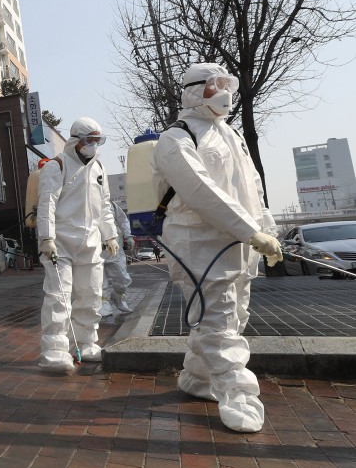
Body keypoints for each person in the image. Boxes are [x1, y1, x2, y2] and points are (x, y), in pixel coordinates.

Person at [152, 63, 282, 433]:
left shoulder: (232, 135)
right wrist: (249, 231)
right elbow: (199, 191)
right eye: (214, 86)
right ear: (194, 90)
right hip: (198, 243)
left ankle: (196, 379)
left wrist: (265, 229)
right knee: (219, 321)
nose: (224, 92)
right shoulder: (175, 139)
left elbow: (253, 188)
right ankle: (238, 396)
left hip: (238, 243)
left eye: (227, 84)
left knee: (231, 316)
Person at [36, 117, 119, 373]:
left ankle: (86, 342)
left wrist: (110, 235)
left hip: (91, 243)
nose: (94, 146)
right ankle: (54, 350)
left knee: (91, 295)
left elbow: (104, 206)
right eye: (89, 140)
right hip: (61, 243)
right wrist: (46, 238)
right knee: (59, 297)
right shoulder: (57, 166)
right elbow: (47, 203)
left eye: (98, 141)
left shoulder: (99, 169)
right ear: (76, 140)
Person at [100, 201, 134, 316]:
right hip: (96, 250)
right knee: (99, 281)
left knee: (122, 278)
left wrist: (128, 236)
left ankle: (118, 297)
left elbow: (123, 220)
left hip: (115, 250)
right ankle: (103, 303)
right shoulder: (83, 202)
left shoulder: (112, 205)